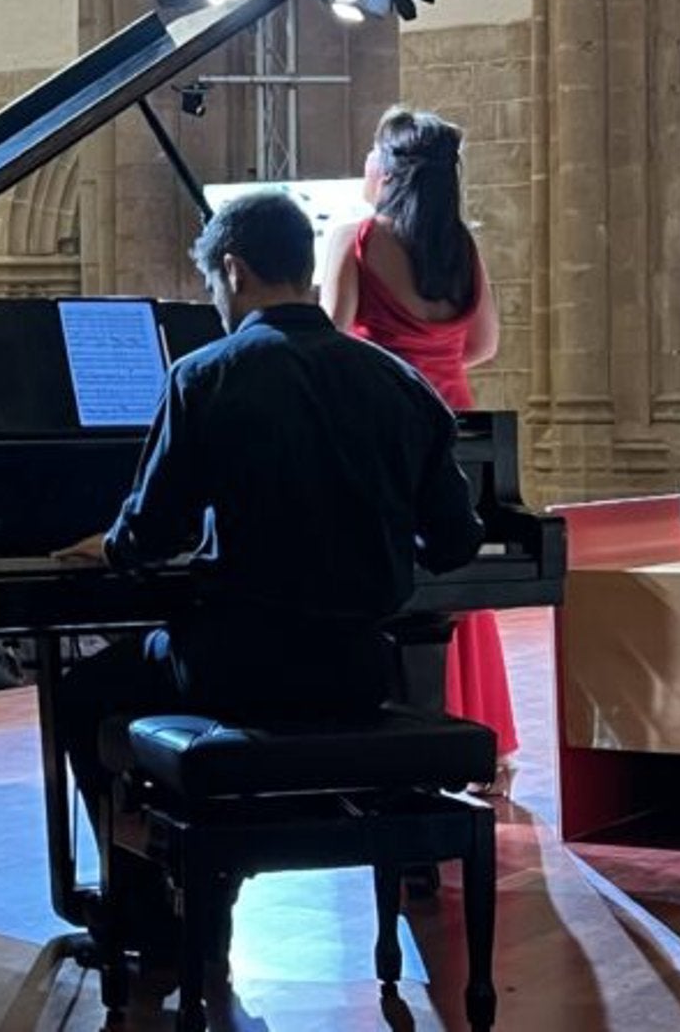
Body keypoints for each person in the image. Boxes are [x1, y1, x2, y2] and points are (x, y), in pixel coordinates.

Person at [53, 191, 484, 955]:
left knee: (82, 691)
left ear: (234, 269)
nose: (216, 302)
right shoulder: (398, 384)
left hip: (234, 673)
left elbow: (151, 535)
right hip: (356, 672)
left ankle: (153, 902)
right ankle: (205, 874)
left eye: (216, 286)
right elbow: (453, 541)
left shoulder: (204, 376)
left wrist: (108, 543)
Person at [321, 106, 517, 791]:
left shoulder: (357, 237)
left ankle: (390, 734)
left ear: (388, 168)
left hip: (385, 428)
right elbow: (485, 343)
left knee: (389, 580)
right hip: (459, 427)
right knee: (460, 576)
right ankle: (472, 735)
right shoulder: (461, 246)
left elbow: (329, 336)